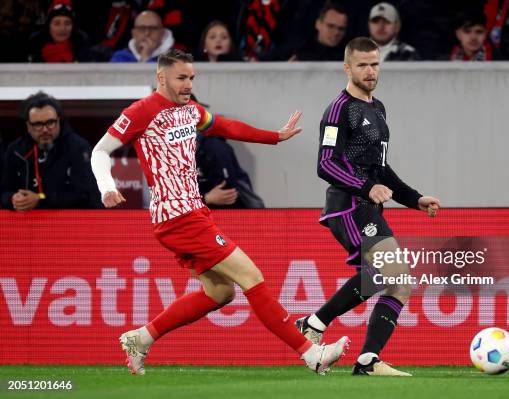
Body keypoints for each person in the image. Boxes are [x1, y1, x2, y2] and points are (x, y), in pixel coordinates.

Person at [90, 48, 348, 376]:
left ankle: (141, 338)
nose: (188, 84)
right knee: (251, 277)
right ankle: (312, 353)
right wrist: (106, 187)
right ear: (161, 77)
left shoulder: (191, 110)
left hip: (193, 212)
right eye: (181, 78)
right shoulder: (142, 111)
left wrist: (275, 137)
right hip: (176, 217)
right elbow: (100, 150)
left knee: (220, 291)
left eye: (192, 78)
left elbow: (226, 127)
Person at [295, 37, 441, 376]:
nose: (370, 71)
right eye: (362, 64)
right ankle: (314, 323)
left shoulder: (379, 109)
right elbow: (325, 164)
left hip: (368, 205)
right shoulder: (339, 109)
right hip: (346, 205)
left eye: (375, 64)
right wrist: (366, 186)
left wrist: (415, 199)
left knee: (399, 281)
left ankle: (366, 360)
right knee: (391, 272)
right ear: (347, 67)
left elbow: (382, 169)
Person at [1, 91, 100, 211]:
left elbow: (86, 195)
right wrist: (13, 199)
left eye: (50, 123)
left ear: (58, 120)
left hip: (69, 223)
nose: (45, 130)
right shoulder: (15, 150)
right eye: (38, 124)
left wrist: (41, 199)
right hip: (25, 223)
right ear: (28, 126)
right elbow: (4, 191)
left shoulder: (78, 148)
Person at [110, 10, 175, 63]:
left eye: (153, 28)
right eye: (141, 28)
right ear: (133, 33)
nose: (147, 33)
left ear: (162, 33)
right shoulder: (120, 57)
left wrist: (146, 58)